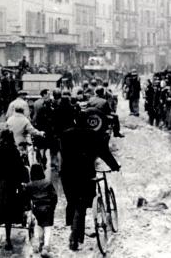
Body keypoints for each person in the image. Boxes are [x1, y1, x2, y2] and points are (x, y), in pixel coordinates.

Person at [60, 107, 120, 251]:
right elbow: (104, 153)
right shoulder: (93, 135)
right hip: (85, 174)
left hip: (68, 174)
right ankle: (75, 236)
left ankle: (76, 234)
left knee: (72, 202)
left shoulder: (65, 134)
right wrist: (115, 166)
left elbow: (63, 153)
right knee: (81, 205)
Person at [0, 129, 28, 258]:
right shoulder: (13, 150)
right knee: (8, 214)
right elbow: (20, 168)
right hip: (9, 187)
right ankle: (8, 240)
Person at [26, 160, 57, 257]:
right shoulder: (48, 182)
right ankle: (46, 246)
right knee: (47, 227)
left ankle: (40, 243)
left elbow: (26, 198)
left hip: (36, 208)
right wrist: (53, 206)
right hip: (48, 208)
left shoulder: (30, 185)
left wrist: (28, 209)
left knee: (39, 226)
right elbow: (54, 196)